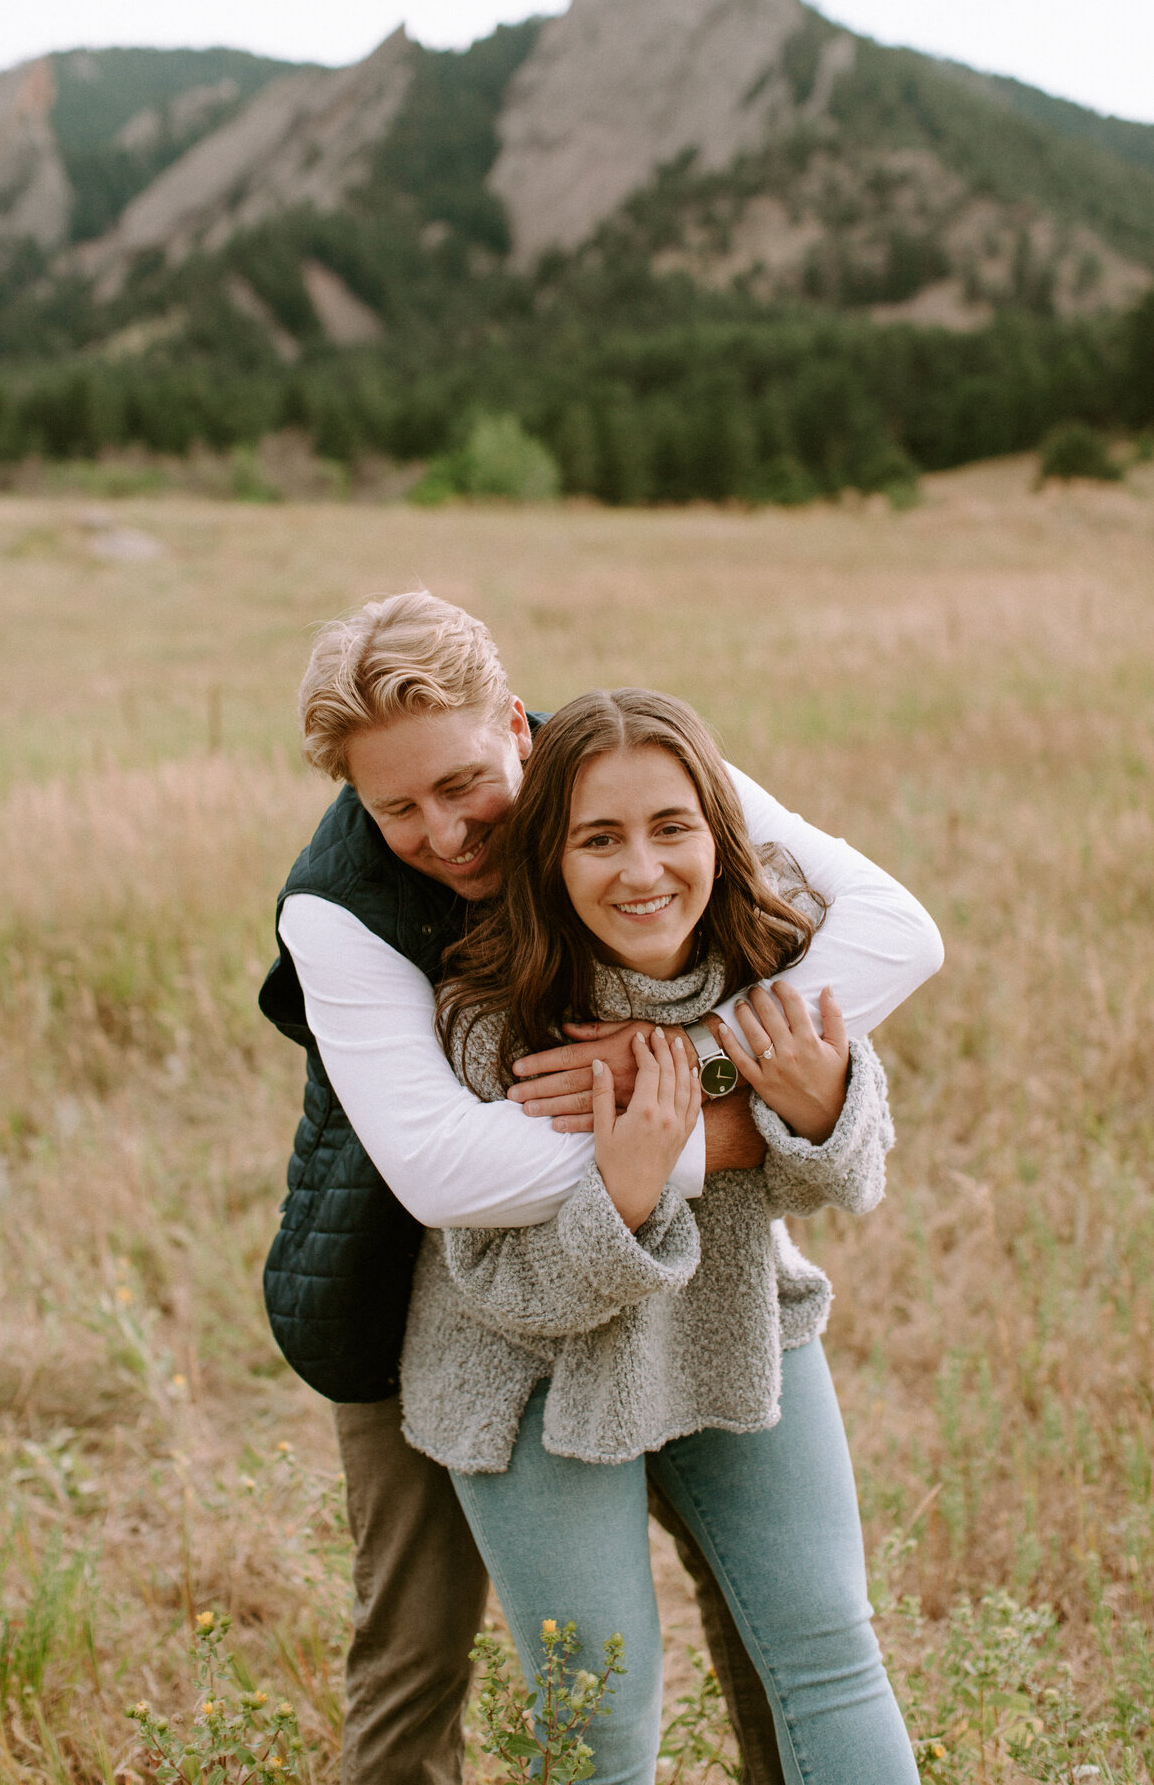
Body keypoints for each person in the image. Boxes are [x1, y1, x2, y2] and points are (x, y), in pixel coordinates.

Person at [258, 592, 943, 1785]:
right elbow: (441, 1177)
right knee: (483, 1674)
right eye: (397, 808)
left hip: (716, 1318)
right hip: (427, 1305)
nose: (446, 832)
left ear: (519, 729)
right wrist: (683, 1140)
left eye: (464, 785)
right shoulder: (371, 934)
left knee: (809, 1643)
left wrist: (715, 1070)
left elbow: (886, 955)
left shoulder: (635, 786)